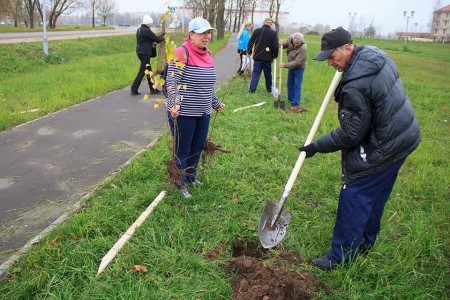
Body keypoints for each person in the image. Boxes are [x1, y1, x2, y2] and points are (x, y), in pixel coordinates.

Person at [300, 27, 421, 271]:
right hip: (403, 137)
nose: (330, 64)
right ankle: (365, 242)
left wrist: (316, 146)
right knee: (376, 193)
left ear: (347, 48)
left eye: (332, 58)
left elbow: (351, 134)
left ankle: (340, 256)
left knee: (355, 192)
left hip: (384, 144)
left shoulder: (356, 84)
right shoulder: (374, 55)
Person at [165, 17, 225, 199]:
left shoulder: (208, 54)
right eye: (202, 33)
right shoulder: (181, 53)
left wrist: (215, 103)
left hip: (203, 112)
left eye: (209, 33)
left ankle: (191, 176)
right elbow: (171, 81)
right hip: (184, 113)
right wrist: (174, 103)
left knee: (198, 146)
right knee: (183, 148)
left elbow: (207, 86)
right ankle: (179, 182)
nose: (207, 36)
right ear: (191, 35)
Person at [130, 15, 165, 96]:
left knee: (148, 71)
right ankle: (134, 89)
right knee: (142, 71)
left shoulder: (139, 29)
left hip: (140, 52)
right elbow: (157, 39)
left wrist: (160, 36)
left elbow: (153, 38)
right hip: (145, 53)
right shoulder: (146, 31)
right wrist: (163, 36)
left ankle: (153, 89)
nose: (151, 24)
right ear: (147, 23)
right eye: (150, 23)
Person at [247, 18, 279, 94]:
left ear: (263, 23)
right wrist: (275, 55)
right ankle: (269, 90)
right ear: (271, 24)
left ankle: (252, 90)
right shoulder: (273, 33)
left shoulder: (256, 31)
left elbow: (250, 43)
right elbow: (275, 46)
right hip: (268, 58)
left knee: (256, 73)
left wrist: (249, 52)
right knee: (268, 74)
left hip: (257, 57)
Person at [279, 32, 307, 113]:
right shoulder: (290, 39)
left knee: (297, 85)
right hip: (291, 66)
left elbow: (297, 62)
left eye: (298, 43)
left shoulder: (303, 48)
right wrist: (281, 43)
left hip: (299, 67)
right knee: (289, 83)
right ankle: (290, 99)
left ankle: (295, 103)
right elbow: (283, 46)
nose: (296, 44)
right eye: (295, 42)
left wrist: (285, 65)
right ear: (293, 40)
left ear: (301, 41)